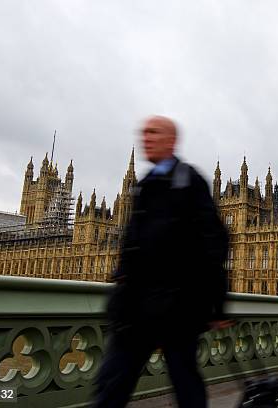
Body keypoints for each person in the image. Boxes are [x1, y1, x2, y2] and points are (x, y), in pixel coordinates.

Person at [93, 116, 230, 408]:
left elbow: (215, 240)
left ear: (170, 140)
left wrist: (216, 303)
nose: (146, 137)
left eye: (153, 132)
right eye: (144, 132)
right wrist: (121, 281)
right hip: (138, 305)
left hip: (179, 305)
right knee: (112, 381)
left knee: (185, 382)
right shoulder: (144, 185)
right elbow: (132, 243)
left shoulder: (189, 180)